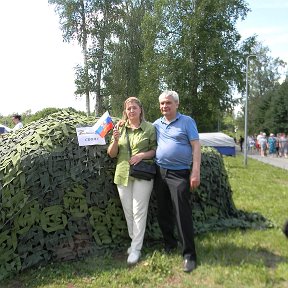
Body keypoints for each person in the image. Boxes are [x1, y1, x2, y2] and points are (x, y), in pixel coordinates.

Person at [153, 90, 201, 273]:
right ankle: (169, 244)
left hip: (179, 174)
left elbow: (196, 146)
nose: (165, 106)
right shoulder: (157, 124)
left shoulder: (187, 122)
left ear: (176, 104)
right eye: (162, 103)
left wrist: (195, 171)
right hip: (160, 172)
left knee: (182, 213)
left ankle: (189, 255)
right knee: (163, 211)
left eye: (168, 103)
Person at [107, 97, 157, 265]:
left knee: (138, 211)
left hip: (142, 175)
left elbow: (155, 150)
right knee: (128, 212)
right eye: (128, 109)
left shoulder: (149, 128)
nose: (131, 111)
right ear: (125, 111)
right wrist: (114, 139)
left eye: (134, 108)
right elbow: (112, 154)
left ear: (140, 110)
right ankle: (135, 242)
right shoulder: (119, 128)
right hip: (122, 174)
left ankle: (136, 248)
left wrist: (142, 155)